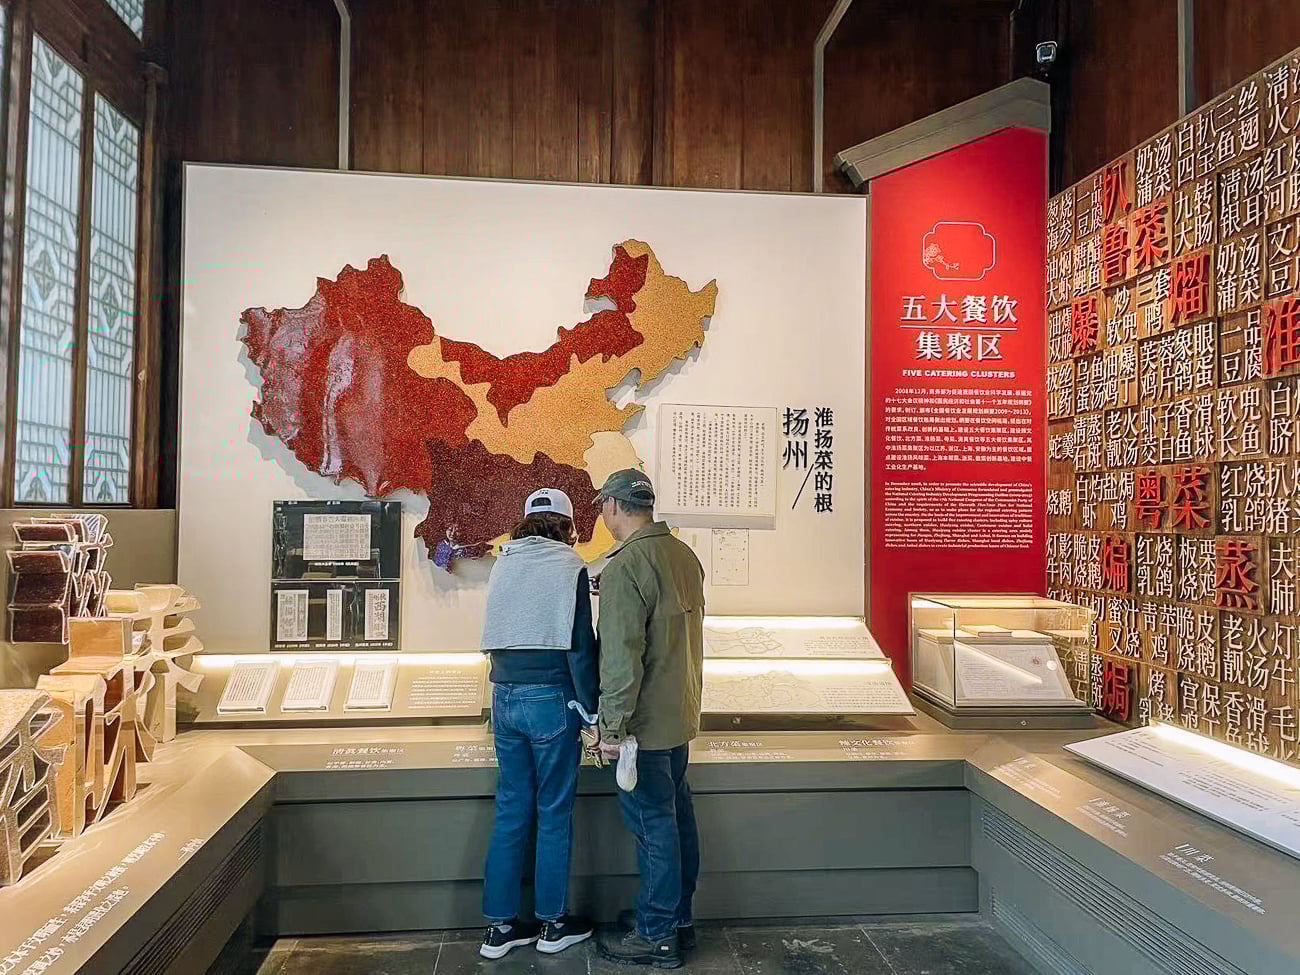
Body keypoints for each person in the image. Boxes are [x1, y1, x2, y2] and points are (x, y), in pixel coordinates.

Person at [478, 488, 598, 959]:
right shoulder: (571, 568)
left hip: (503, 697)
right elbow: (580, 647)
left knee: (510, 810)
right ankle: (552, 924)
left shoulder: (503, 563)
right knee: (553, 812)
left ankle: (500, 929)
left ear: (525, 522)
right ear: (567, 527)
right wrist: (591, 710)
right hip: (551, 698)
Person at [592, 469, 705, 970]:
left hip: (642, 727)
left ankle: (656, 934)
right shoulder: (683, 555)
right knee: (677, 819)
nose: (602, 513)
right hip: (677, 716)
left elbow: (621, 658)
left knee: (653, 824)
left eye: (603, 506)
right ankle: (677, 918)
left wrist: (611, 730)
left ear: (614, 506)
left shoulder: (626, 566)